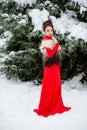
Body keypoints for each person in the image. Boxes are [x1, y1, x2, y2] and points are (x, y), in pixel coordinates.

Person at [33, 19, 71, 117]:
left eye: (51, 30)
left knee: (56, 86)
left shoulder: (53, 39)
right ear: (44, 32)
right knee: (50, 86)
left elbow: (60, 50)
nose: (50, 32)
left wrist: (57, 45)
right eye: (47, 30)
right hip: (50, 67)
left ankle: (56, 104)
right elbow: (50, 53)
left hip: (55, 66)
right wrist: (57, 45)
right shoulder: (46, 41)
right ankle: (49, 106)